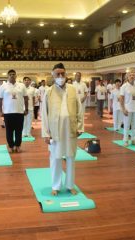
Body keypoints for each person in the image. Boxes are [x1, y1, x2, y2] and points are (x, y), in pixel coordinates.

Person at [42, 63, 83, 196]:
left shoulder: (72, 89)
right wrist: (46, 133)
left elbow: (79, 109)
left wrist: (80, 127)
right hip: (55, 132)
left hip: (70, 130)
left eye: (62, 74)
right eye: (57, 74)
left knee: (71, 158)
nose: (60, 76)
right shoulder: (49, 92)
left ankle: (70, 185)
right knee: (55, 158)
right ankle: (56, 186)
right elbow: (44, 114)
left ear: (66, 74)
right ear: (53, 75)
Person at [0, 69, 28, 153]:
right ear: (8, 76)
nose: (12, 75)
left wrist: (26, 109)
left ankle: (18, 145)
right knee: (9, 130)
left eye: (13, 74)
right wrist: (0, 111)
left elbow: (26, 98)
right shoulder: (3, 86)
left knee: (19, 130)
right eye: (10, 74)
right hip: (8, 112)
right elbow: (0, 99)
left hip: (19, 112)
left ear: (16, 76)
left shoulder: (21, 86)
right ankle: (10, 145)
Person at [120, 72, 135, 147]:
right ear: (127, 77)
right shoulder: (124, 86)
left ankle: (133, 140)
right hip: (127, 108)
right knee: (127, 125)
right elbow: (121, 98)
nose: (132, 76)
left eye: (133, 75)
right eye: (130, 75)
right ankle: (125, 140)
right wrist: (123, 109)